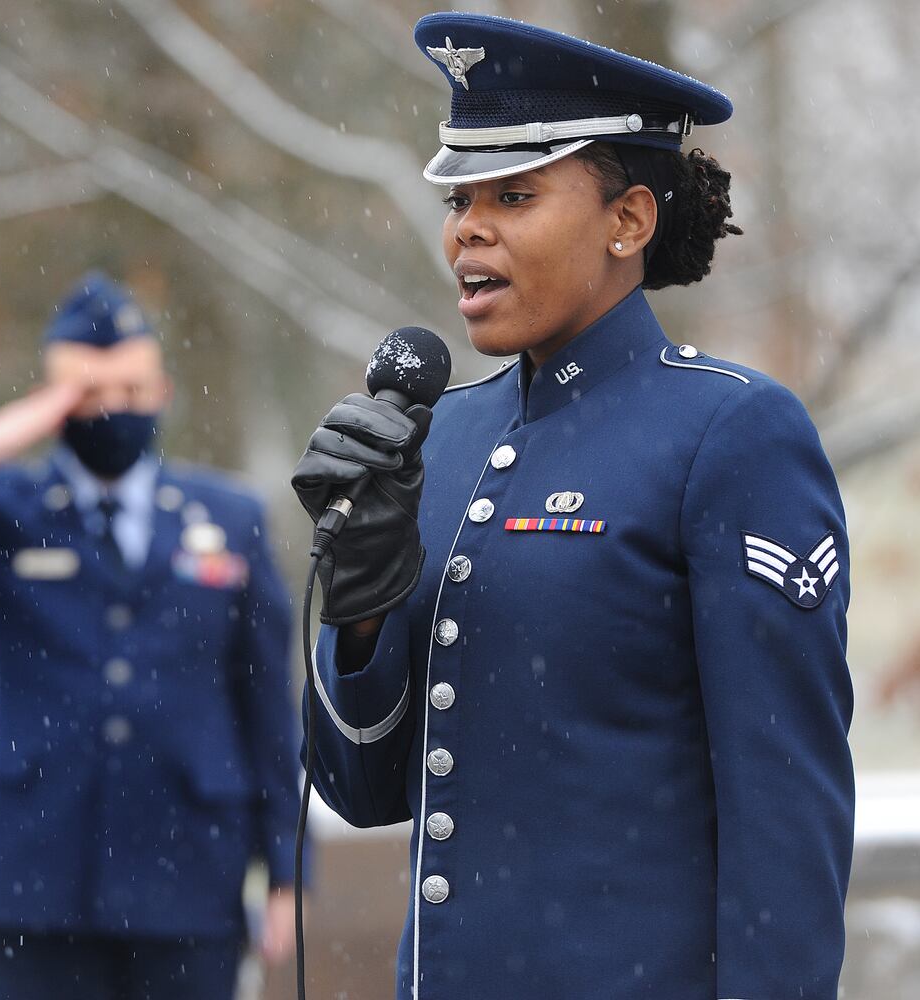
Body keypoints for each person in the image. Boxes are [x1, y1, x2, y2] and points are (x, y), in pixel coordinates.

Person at [292, 13, 853, 1000]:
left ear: (627, 221)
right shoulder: (438, 437)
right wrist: (359, 604)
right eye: (460, 197)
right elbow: (362, 788)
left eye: (513, 193)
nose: (469, 226)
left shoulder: (732, 433)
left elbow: (786, 813)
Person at [0, 272, 305, 1000]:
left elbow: (266, 701)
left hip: (189, 864)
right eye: (88, 394)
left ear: (163, 391)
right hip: (37, 872)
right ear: (52, 404)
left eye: (132, 390)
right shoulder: (1, 509)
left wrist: (288, 870)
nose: (113, 410)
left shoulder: (226, 515)